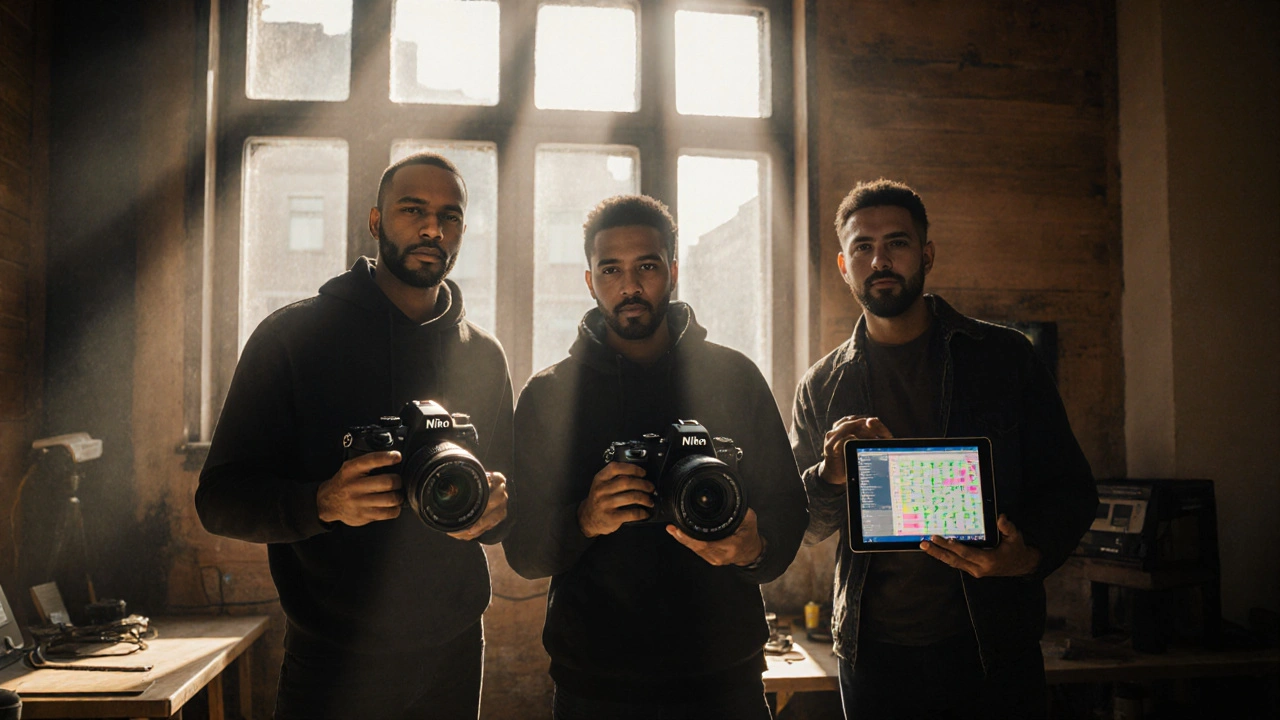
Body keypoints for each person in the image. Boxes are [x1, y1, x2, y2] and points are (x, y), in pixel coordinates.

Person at [196, 152, 513, 720]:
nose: (432, 229)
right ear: (374, 222)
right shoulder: (292, 337)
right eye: (412, 209)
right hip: (333, 655)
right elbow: (218, 500)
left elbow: (509, 500)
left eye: (450, 216)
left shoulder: (484, 356)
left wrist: (494, 511)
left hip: (454, 649)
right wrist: (323, 502)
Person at [790, 179, 1098, 720]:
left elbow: (1071, 489)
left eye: (897, 243)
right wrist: (830, 474)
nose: (880, 259)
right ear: (844, 266)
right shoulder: (821, 385)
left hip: (992, 646)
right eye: (863, 246)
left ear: (926, 254)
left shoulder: (1004, 358)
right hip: (872, 654)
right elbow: (806, 526)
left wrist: (1026, 558)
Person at [503, 195, 808, 719]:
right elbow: (522, 553)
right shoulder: (549, 395)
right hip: (597, 684)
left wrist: (756, 546)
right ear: (589, 280)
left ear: (672, 270)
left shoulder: (734, 377)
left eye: (646, 266)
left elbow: (789, 509)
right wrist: (585, 518)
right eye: (611, 269)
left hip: (725, 676)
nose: (629, 286)